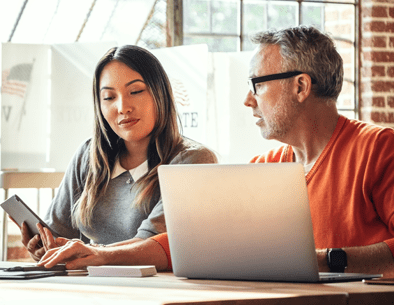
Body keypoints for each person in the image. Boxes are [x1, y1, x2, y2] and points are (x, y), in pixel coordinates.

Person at [37, 26, 394, 278]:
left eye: (257, 84)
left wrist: (324, 261)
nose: (247, 99)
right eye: (108, 97)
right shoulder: (263, 169)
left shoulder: (379, 149)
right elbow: (185, 244)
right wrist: (100, 255)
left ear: (301, 86)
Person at [22, 45, 217, 261]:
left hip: (156, 289)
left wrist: (97, 252)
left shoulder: (193, 161)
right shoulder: (88, 155)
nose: (123, 107)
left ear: (159, 93)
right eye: (109, 97)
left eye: (135, 92)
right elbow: (59, 233)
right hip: (92, 287)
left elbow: (155, 244)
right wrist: (46, 248)